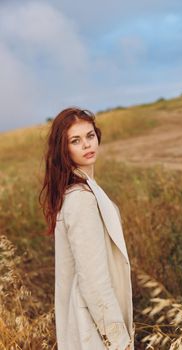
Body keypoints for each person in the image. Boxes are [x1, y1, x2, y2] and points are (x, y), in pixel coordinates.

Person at [39, 107, 135, 349]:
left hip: (89, 318)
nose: (86, 145)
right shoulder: (81, 198)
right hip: (92, 326)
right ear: (64, 149)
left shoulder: (82, 189)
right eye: (75, 140)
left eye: (90, 136)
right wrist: (118, 340)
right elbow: (93, 279)